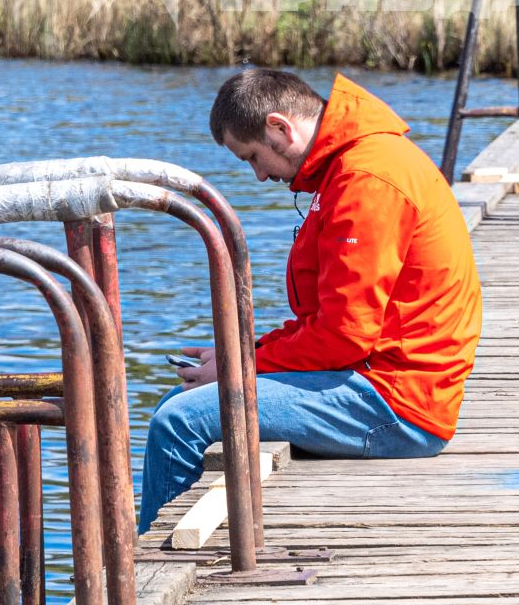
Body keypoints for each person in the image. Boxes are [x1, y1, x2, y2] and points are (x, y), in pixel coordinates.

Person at [137, 68, 483, 533]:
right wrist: (244, 356)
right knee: (177, 401)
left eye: (254, 157)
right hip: (374, 379)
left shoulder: (367, 179)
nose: (259, 176)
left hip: (397, 404)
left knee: (179, 421)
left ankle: (148, 572)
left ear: (281, 127)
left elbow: (344, 336)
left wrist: (241, 367)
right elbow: (329, 323)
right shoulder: (351, 167)